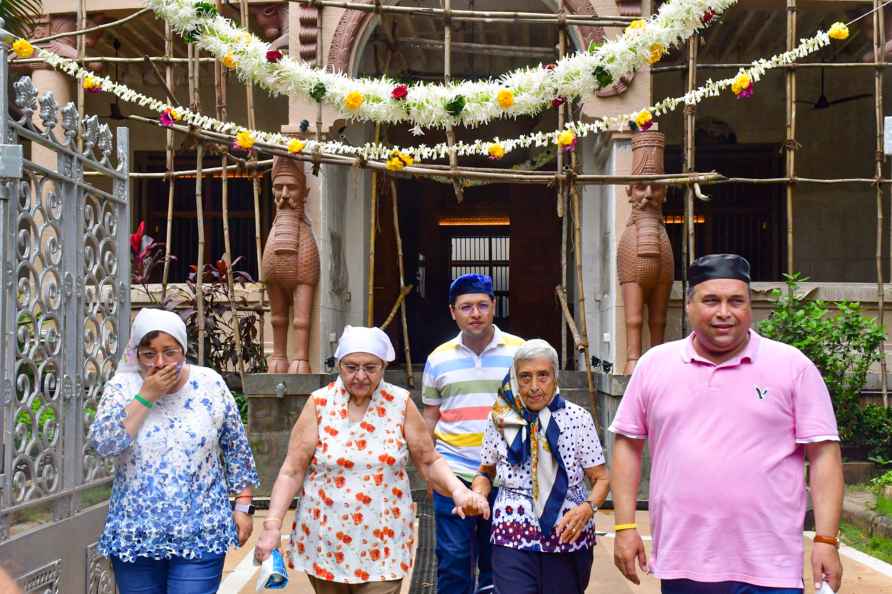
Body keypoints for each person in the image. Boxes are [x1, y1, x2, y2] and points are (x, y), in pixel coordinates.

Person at [610, 254, 844, 594]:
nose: (724, 312)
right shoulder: (655, 366)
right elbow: (627, 445)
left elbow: (824, 454)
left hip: (770, 565)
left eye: (736, 301)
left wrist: (826, 539)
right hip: (685, 561)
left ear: (750, 306)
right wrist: (625, 525)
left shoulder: (791, 367)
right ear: (689, 306)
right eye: (711, 301)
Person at [254, 325, 490, 594]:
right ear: (339, 365)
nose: (360, 376)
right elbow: (292, 470)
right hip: (324, 542)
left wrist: (458, 491)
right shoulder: (319, 402)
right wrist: (272, 526)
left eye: (370, 368)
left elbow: (428, 460)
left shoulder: (399, 402)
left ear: (383, 367)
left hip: (383, 543)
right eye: (351, 367)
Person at [88, 308, 259, 594]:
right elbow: (105, 444)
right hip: (136, 534)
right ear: (136, 353)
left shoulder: (209, 383)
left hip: (201, 531)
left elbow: (236, 448)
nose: (160, 363)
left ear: (183, 349)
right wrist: (147, 394)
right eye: (148, 354)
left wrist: (243, 505)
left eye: (170, 352)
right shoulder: (122, 387)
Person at [472, 339, 609, 594]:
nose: (534, 386)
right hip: (512, 531)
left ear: (556, 377)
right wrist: (478, 494)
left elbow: (601, 478)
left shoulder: (578, 419)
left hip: (568, 533)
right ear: (515, 378)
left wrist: (588, 508)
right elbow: (485, 472)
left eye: (542, 376)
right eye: (525, 377)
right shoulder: (501, 419)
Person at [422, 273, 524, 594]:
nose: (475, 313)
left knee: (501, 560)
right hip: (454, 474)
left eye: (482, 305)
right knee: (453, 560)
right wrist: (430, 473)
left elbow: (533, 413)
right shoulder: (438, 359)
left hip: (506, 476)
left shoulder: (520, 353)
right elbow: (430, 420)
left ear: (494, 306)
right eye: (466, 307)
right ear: (453, 312)